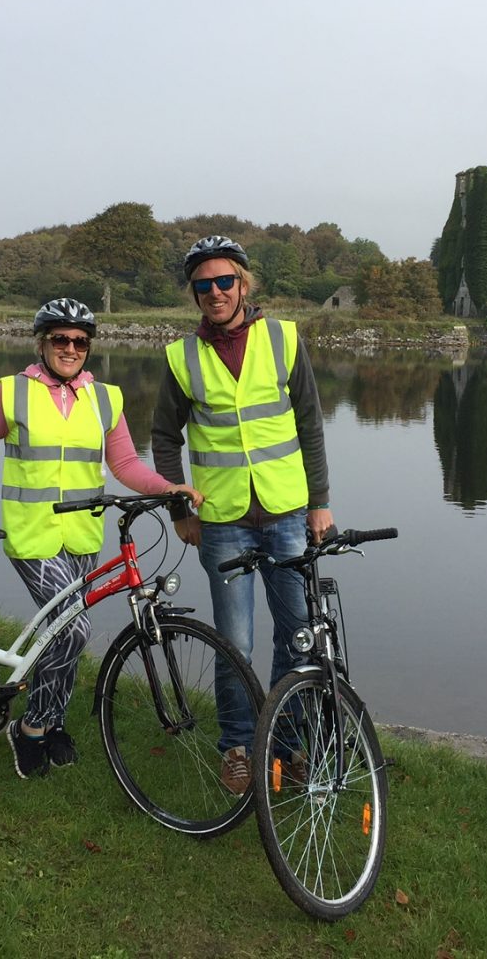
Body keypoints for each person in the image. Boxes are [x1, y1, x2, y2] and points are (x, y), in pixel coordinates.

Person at [0, 298, 201, 780]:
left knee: (65, 638)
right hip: (33, 534)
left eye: (79, 341)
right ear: (42, 342)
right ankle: (30, 728)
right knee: (73, 630)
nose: (70, 348)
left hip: (83, 535)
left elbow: (125, 466)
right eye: (60, 339)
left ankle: (51, 724)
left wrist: (168, 487)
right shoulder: (12, 393)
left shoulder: (106, 398)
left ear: (88, 347)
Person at [151, 237, 334, 795]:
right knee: (235, 642)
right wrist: (179, 506)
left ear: (244, 285)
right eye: (202, 286)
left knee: (297, 634)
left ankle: (285, 745)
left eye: (223, 282)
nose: (214, 293)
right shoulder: (182, 356)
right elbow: (163, 436)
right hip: (223, 519)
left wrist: (320, 501)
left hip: (286, 511)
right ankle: (235, 747)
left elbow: (310, 423)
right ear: (194, 294)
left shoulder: (281, 338)